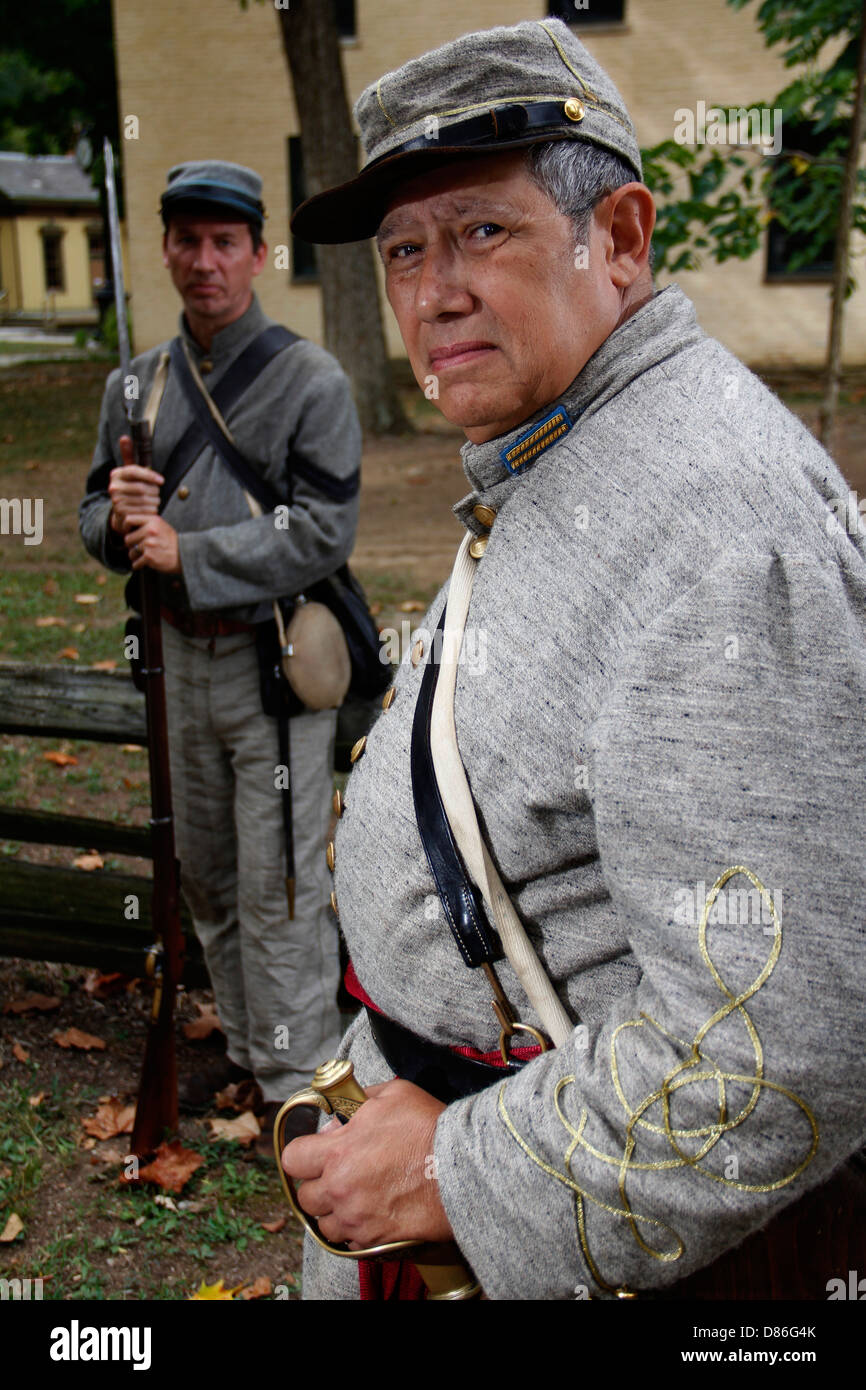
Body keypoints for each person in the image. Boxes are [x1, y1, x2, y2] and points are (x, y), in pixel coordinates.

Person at [282, 18, 866, 1299]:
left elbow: (781, 1050)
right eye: (401, 251)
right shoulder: (569, 438)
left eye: (480, 231)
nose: (431, 292)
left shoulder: (720, 532)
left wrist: (451, 1174)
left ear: (617, 237)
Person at [80, 160, 361, 1143]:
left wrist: (187, 552)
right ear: (164, 248)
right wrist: (118, 527)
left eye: (224, 242)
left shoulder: (308, 379)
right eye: (186, 240)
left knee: (280, 881)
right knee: (203, 872)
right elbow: (90, 510)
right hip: (172, 664)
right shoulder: (133, 382)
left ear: (255, 253)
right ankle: (248, 1048)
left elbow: (325, 529)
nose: (204, 261)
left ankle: (299, 1086)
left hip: (269, 666)